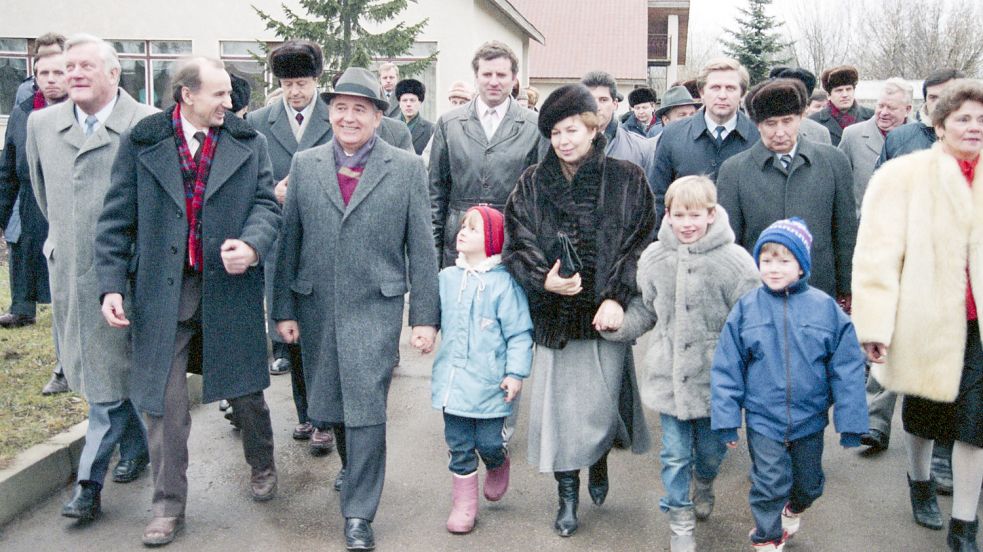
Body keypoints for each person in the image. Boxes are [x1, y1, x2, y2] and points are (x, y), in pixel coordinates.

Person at [95, 57, 281, 547]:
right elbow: (116, 220)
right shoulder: (142, 143)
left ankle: (261, 462)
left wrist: (254, 244)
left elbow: (266, 205)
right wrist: (111, 286)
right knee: (164, 405)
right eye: (219, 94)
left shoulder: (248, 141)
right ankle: (165, 505)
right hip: (162, 294)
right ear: (187, 96)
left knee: (244, 392)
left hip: (228, 288)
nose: (230, 102)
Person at [272, 66, 439, 551]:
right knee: (333, 405)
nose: (348, 117)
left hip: (376, 306)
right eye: (340, 108)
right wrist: (282, 309)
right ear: (330, 113)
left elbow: (421, 249)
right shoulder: (305, 164)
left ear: (378, 116)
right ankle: (354, 470)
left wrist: (424, 319)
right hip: (316, 305)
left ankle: (360, 513)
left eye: (359, 109)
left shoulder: (405, 167)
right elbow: (290, 244)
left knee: (366, 405)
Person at [504, 84, 655, 538]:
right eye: (554, 133)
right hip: (555, 320)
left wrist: (617, 294)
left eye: (571, 130)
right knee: (561, 417)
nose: (563, 140)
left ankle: (600, 457)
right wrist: (541, 276)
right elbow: (517, 240)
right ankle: (566, 496)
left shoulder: (628, 178)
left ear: (593, 128)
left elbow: (641, 241)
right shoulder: (531, 182)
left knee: (600, 408)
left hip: (603, 317)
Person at [26, 33, 154, 522]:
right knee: (98, 373)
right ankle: (137, 447)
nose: (73, 74)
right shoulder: (41, 124)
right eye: (67, 66)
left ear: (114, 74)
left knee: (107, 381)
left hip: (125, 275)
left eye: (84, 66)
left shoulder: (145, 125)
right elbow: (43, 195)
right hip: (71, 275)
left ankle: (88, 484)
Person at [851, 79, 983, 551]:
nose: (974, 127)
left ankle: (965, 523)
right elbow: (876, 256)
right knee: (925, 414)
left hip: (978, 329)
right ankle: (920, 481)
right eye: (963, 118)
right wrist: (875, 324)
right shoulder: (903, 177)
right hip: (924, 318)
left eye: (982, 119)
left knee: (975, 425)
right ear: (939, 123)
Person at [603, 176, 758, 552]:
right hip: (668, 374)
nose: (687, 223)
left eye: (696, 215)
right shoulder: (655, 258)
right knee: (673, 454)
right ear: (668, 215)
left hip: (717, 380)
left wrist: (751, 372)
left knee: (709, 452)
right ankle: (680, 518)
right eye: (679, 215)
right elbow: (647, 309)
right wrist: (620, 326)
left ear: (711, 214)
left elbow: (752, 320)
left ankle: (704, 482)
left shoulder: (735, 262)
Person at [712, 218, 868, 552]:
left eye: (784, 260)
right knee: (769, 482)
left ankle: (794, 508)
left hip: (809, 419)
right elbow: (727, 368)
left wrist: (851, 422)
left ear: (802, 266)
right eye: (767, 260)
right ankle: (767, 538)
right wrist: (726, 419)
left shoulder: (825, 309)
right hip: (763, 418)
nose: (773, 268)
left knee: (809, 486)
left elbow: (848, 369)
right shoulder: (746, 310)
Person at [863, 68, 963, 496]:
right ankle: (878, 418)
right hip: (909, 265)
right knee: (898, 346)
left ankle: (943, 451)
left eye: (951, 97)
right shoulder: (903, 140)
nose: (943, 104)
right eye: (936, 96)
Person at [246, 40, 335, 451]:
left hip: (325, 236)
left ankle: (324, 417)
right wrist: (273, 190)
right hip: (282, 240)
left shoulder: (333, 117)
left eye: (301, 83)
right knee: (291, 328)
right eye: (287, 84)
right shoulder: (261, 121)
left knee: (323, 329)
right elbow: (249, 178)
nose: (295, 92)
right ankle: (304, 414)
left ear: (316, 80)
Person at [432, 205, 533, 534]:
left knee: (488, 442)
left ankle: (498, 461)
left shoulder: (504, 285)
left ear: (492, 240)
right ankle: (464, 506)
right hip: (454, 383)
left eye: (473, 229)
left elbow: (519, 334)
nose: (462, 232)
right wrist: (424, 332)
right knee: (459, 445)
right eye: (462, 226)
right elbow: (430, 315)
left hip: (491, 385)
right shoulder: (447, 278)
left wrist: (515, 374)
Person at [717, 78, 857, 302]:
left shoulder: (833, 162)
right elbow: (730, 242)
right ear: (758, 125)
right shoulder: (734, 171)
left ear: (801, 118)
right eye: (771, 124)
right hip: (758, 294)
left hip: (819, 290)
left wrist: (847, 288)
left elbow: (845, 231)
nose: (780, 132)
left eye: (787, 121)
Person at [429, 41, 542, 268]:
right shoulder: (449, 124)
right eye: (486, 74)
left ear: (514, 78)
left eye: (501, 75)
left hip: (512, 243)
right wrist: (432, 252)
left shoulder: (535, 127)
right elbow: (435, 194)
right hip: (459, 241)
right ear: (476, 76)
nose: (493, 81)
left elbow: (540, 197)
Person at [650, 57, 760, 229]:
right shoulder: (673, 135)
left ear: (742, 93)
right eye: (715, 87)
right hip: (685, 246)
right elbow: (657, 196)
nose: (722, 95)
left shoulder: (758, 137)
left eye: (730, 88)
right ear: (701, 92)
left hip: (740, 249)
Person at [1, 52, 68, 331]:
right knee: (22, 246)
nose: (51, 80)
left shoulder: (81, 112)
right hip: (28, 195)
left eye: (58, 73)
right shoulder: (22, 112)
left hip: (66, 196)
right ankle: (21, 308)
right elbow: (8, 165)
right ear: (35, 78)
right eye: (44, 74)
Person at [839, 78, 912, 216]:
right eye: (880, 106)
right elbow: (839, 186)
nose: (883, 112)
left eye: (891, 108)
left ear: (907, 109)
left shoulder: (923, 137)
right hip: (866, 227)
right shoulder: (852, 136)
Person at [580, 70, 657, 186]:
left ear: (615, 104)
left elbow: (651, 197)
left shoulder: (641, 148)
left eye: (603, 100)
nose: (596, 107)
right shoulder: (562, 147)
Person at [877, 69, 965, 166]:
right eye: (933, 97)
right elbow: (880, 180)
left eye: (947, 96)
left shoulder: (976, 138)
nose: (939, 103)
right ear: (926, 100)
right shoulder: (898, 139)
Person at [808, 65, 874, 146]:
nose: (845, 94)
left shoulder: (872, 118)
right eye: (839, 90)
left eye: (848, 89)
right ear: (828, 95)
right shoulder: (814, 121)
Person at [769, 67, 832, 145]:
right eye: (787, 95)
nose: (792, 102)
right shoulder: (764, 128)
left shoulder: (820, 133)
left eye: (799, 96)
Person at [12, 32, 65, 106]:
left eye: (53, 55)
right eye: (43, 55)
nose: (48, 60)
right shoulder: (25, 91)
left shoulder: (79, 96)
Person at [395, 78, 434, 155]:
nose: (408, 104)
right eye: (404, 100)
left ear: (420, 102)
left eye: (412, 100)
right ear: (399, 103)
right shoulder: (389, 125)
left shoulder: (430, 129)